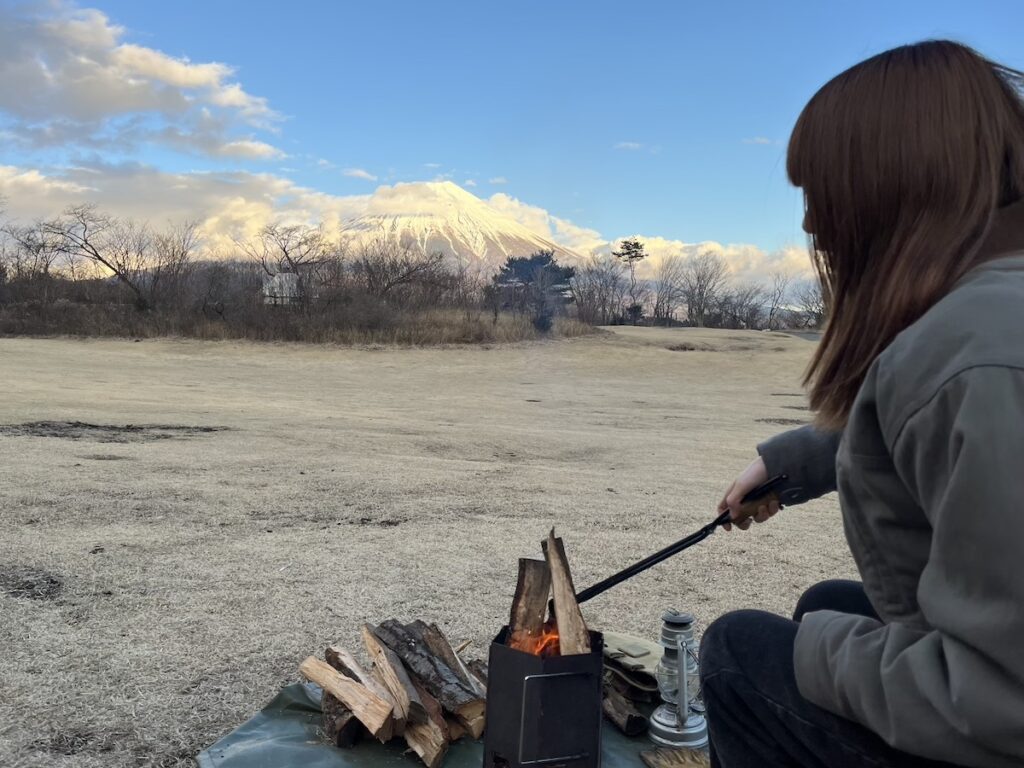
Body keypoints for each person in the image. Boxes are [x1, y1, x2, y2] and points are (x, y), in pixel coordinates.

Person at [698, 40, 1024, 768]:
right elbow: (947, 436)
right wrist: (792, 463)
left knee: (736, 650)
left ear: (895, 185)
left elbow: (1005, 699)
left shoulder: (976, 352)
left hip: (998, 721)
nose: (813, 227)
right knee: (826, 603)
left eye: (826, 193)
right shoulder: (991, 302)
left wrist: (817, 655)